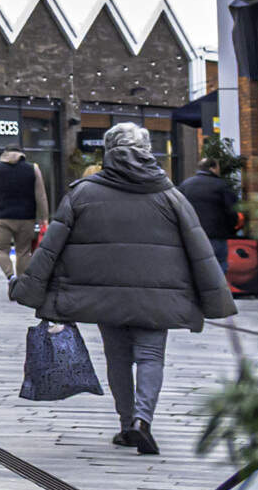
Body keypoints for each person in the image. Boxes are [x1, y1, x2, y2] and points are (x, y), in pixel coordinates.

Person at [14, 121, 234, 455]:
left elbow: (51, 247)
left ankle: (126, 423)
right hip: (158, 293)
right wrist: (215, 296)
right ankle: (143, 421)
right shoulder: (170, 196)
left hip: (105, 294)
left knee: (117, 357)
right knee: (151, 356)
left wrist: (30, 288)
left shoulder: (83, 194)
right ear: (147, 151)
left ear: (108, 152)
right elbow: (200, 249)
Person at [0, 147, 44, 283]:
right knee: (23, 251)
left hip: (1, 217)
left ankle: (11, 276)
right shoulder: (32, 169)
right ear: (22, 154)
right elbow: (41, 196)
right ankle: (21, 284)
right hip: (26, 217)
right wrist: (44, 218)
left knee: (0, 249)